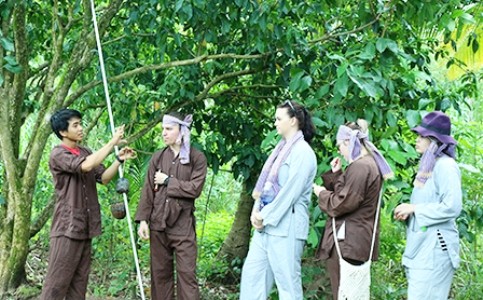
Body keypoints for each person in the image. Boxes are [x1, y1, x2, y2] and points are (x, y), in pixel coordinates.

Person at [41, 108, 136, 299]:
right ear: (63, 132)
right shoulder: (58, 154)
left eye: (80, 124)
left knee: (79, 284)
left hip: (86, 226)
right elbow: (85, 166)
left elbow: (104, 177)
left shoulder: (85, 151)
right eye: (75, 125)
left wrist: (118, 159)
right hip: (67, 228)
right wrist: (112, 142)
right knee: (56, 285)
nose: (80, 128)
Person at [239, 100, 317, 300]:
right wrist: (256, 212)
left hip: (287, 229)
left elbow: (289, 193)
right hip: (265, 228)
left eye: (278, 119)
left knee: (288, 287)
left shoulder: (303, 153)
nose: (275, 123)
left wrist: (264, 216)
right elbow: (265, 186)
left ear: (293, 121)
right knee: (251, 278)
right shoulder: (280, 149)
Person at [312, 119, 393, 300]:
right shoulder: (366, 165)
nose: (339, 150)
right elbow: (351, 194)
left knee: (344, 294)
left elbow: (343, 203)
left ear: (349, 142)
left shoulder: (361, 166)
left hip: (348, 242)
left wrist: (321, 193)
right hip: (355, 241)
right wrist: (336, 175)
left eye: (340, 145)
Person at [135, 112, 207, 300]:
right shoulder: (158, 157)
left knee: (187, 276)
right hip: (158, 224)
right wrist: (143, 220)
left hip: (183, 226)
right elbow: (148, 190)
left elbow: (194, 189)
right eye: (162, 130)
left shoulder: (197, 158)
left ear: (181, 130)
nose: (164, 133)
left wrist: (168, 181)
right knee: (160, 277)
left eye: (168, 129)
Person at [394, 111, 462, 299]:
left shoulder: (446, 166)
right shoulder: (428, 166)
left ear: (435, 141)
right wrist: (409, 212)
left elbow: (453, 206)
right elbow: (428, 203)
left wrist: (415, 209)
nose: (417, 140)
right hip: (421, 249)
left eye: (422, 136)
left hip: (435, 250)